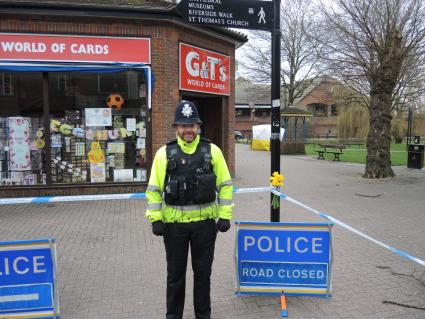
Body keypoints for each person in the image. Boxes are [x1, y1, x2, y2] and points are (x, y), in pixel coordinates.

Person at [145, 100, 234, 319]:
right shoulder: (164, 154)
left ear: (198, 126)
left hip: (205, 227)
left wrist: (224, 215)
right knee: (175, 277)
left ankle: (203, 316)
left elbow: (225, 185)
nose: (188, 130)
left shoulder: (212, 151)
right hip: (174, 228)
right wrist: (156, 218)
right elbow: (154, 189)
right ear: (176, 127)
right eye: (183, 125)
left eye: (192, 125)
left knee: (203, 275)